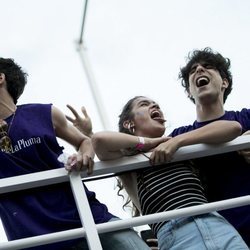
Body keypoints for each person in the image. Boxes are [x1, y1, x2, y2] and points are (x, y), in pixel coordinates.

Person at [0, 57, 151, 250]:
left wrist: (84, 155)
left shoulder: (43, 113)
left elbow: (84, 142)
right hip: (34, 238)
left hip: (85, 215)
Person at [67, 96, 248, 249]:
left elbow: (233, 128)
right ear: (129, 123)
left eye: (155, 104)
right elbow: (100, 140)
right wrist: (148, 143)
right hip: (176, 237)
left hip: (218, 225)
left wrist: (178, 141)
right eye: (144, 104)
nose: (154, 106)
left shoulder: (178, 143)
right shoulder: (128, 162)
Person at [170, 47, 250, 246]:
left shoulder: (246, 117)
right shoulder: (178, 136)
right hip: (217, 236)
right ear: (190, 91)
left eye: (208, 67)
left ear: (224, 82)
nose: (199, 70)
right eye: (193, 70)